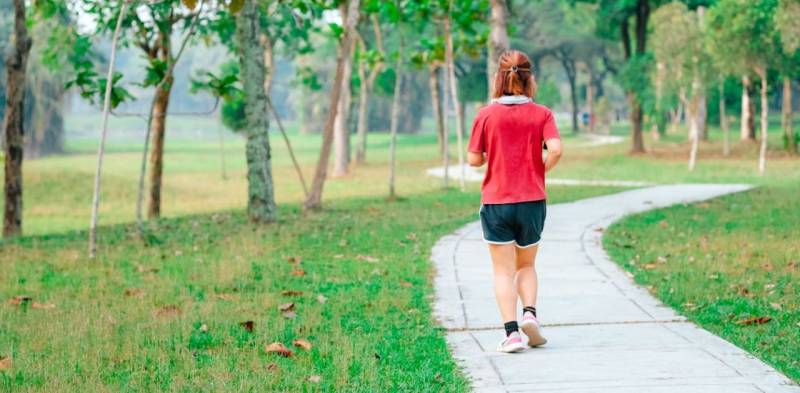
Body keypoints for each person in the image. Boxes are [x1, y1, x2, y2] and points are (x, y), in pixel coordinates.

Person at [467, 50, 562, 353]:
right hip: (532, 200)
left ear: (499, 78)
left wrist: (488, 155)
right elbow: (557, 149)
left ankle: (512, 335)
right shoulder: (542, 113)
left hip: (497, 202)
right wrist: (539, 168)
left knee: (502, 271)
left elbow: (473, 160)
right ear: (529, 78)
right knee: (527, 265)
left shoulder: (485, 114)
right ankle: (530, 315)